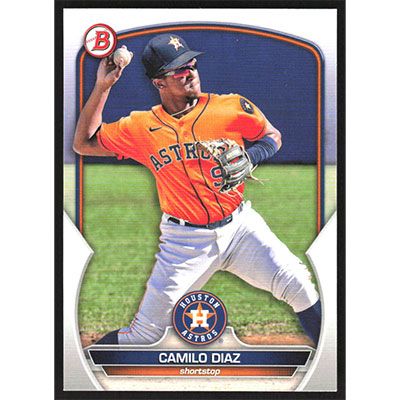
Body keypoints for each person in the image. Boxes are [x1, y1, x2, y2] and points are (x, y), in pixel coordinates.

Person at [73, 34, 321, 346]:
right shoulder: (140, 127)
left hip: (240, 228)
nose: (189, 72)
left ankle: (335, 364)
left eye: (191, 64)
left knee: (299, 286)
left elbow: (272, 135)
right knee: (143, 337)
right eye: (179, 69)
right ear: (159, 82)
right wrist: (103, 86)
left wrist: (252, 156)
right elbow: (84, 143)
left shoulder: (230, 106)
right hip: (184, 242)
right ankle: (80, 370)